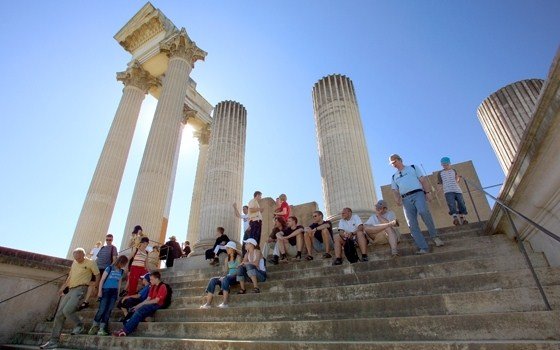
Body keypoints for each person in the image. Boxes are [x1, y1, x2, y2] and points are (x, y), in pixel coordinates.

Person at [40, 248, 100, 349]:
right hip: (71, 288)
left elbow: (97, 275)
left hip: (81, 288)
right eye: (75, 257)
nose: (77, 259)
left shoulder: (91, 263)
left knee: (67, 310)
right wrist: (63, 287)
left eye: (78, 257)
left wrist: (95, 286)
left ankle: (79, 325)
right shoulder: (74, 263)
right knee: (59, 314)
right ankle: (53, 341)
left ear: (83, 255)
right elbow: (70, 276)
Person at [389, 153, 444, 254]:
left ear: (400, 160)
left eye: (394, 162)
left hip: (418, 194)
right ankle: (423, 247)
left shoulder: (413, 168)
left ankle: (435, 237)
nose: (393, 165)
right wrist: (397, 199)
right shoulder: (394, 176)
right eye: (391, 164)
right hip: (405, 199)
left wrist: (427, 193)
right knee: (411, 224)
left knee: (424, 212)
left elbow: (423, 181)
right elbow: (395, 190)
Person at [113, 271, 168, 337]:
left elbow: (156, 301)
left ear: (157, 279)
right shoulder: (152, 287)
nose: (150, 281)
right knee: (135, 309)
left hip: (157, 305)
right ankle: (128, 326)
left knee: (139, 311)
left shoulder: (162, 286)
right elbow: (147, 299)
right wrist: (137, 306)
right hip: (150, 304)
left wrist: (143, 305)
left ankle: (124, 331)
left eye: (151, 279)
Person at [88, 255, 129, 336]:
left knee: (109, 310)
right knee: (102, 309)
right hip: (106, 290)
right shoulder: (109, 268)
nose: (124, 265)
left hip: (114, 291)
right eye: (124, 263)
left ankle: (102, 328)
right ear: (120, 261)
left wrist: (118, 293)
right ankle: (94, 326)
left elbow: (119, 282)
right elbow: (102, 280)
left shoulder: (121, 271)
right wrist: (100, 291)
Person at [80, 234, 118, 310]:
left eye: (110, 240)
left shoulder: (113, 248)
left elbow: (114, 260)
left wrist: (109, 268)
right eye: (107, 240)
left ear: (112, 240)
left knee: (102, 283)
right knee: (92, 284)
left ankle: (100, 297)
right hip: (97, 268)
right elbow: (97, 258)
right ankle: (86, 301)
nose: (108, 241)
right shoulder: (102, 248)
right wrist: (92, 266)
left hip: (105, 268)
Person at [200, 241, 241, 309]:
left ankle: (225, 303)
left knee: (225, 278)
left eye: (228, 248)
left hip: (236, 277)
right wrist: (224, 277)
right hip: (228, 277)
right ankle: (208, 304)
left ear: (232, 249)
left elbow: (239, 270)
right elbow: (225, 271)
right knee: (213, 280)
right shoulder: (226, 259)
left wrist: (227, 277)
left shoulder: (238, 258)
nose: (226, 250)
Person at [437, 156, 469, 225]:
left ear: (450, 164)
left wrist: (458, 178)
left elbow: (457, 179)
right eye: (444, 165)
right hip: (448, 191)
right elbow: (440, 183)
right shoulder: (440, 173)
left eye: (447, 164)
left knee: (461, 203)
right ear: (442, 165)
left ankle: (462, 218)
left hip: (457, 190)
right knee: (451, 204)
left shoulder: (453, 171)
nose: (445, 166)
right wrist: (439, 189)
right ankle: (455, 218)